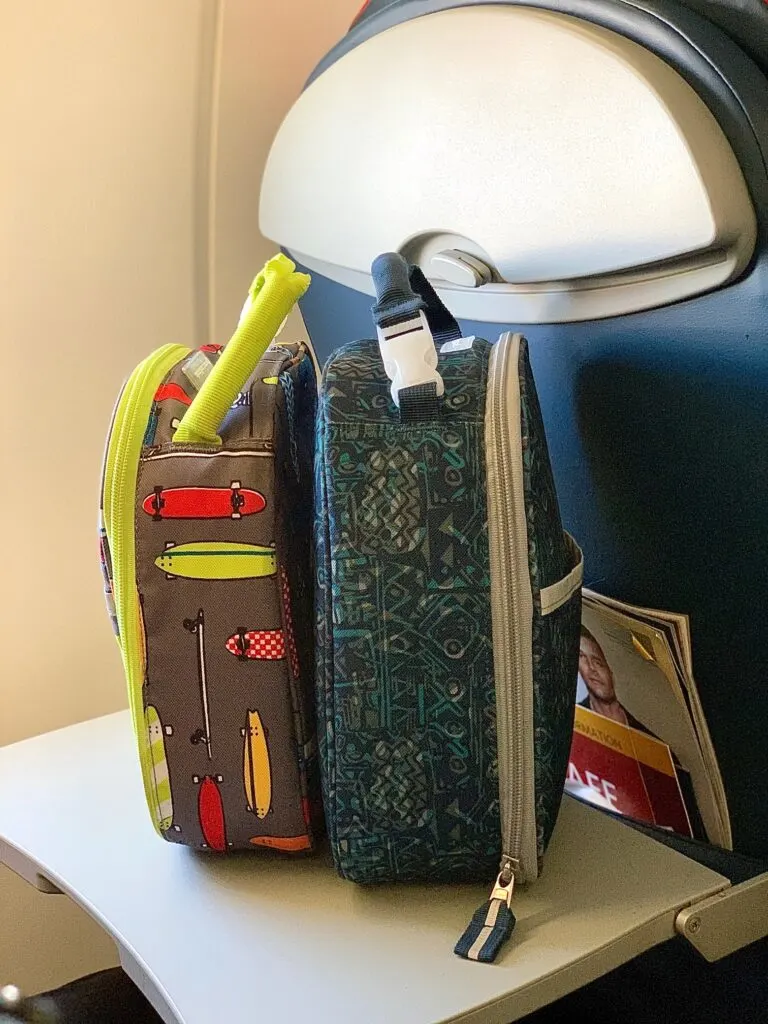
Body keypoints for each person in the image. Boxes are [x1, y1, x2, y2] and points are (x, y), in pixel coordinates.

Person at [578, 625, 650, 732]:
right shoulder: (574, 721)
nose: (592, 668)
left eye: (598, 663)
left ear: (611, 672)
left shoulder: (646, 735)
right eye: (582, 657)